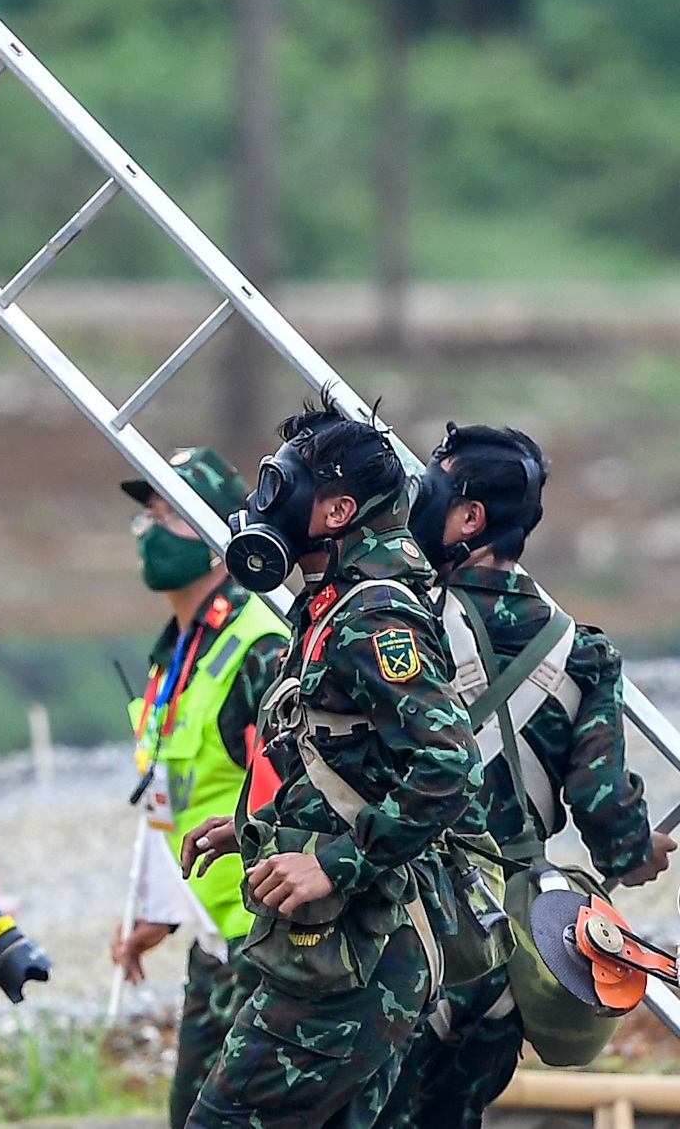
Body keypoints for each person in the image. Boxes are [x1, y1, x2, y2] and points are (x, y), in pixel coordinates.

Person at [180, 393, 484, 1129]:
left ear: (337, 511)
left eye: (280, 487)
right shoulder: (328, 604)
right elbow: (349, 760)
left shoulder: (373, 613)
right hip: (347, 948)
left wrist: (337, 862)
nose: (261, 503)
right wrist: (254, 826)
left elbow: (450, 763)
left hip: (359, 949)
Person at [373, 423, 673, 1129]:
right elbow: (604, 810)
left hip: (397, 931)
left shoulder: (398, 622)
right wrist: (637, 849)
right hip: (506, 952)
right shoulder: (584, 653)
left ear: (468, 516)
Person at [113, 448, 290, 1129]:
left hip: (271, 944)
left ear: (222, 535)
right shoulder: (174, 655)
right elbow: (176, 793)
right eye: (147, 514)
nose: (151, 530)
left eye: (171, 515)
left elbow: (288, 789)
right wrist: (155, 908)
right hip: (217, 943)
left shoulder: (258, 647)